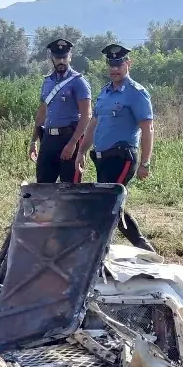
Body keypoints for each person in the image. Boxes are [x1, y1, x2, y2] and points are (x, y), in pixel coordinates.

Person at [77, 43, 156, 252]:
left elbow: (147, 129)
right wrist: (81, 151)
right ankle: (143, 247)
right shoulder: (105, 92)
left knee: (108, 202)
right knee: (112, 203)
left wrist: (145, 163)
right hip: (102, 158)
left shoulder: (136, 93)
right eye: (111, 65)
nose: (115, 69)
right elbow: (93, 124)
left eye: (119, 64)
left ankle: (97, 250)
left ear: (128, 64)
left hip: (123, 157)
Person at [28, 38, 92, 183]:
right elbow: (42, 112)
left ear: (70, 57)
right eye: (58, 58)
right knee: (43, 185)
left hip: (69, 137)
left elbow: (87, 115)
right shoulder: (47, 81)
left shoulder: (79, 82)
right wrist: (33, 141)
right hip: (48, 138)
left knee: (70, 187)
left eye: (64, 57)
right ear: (52, 58)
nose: (61, 61)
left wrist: (73, 142)